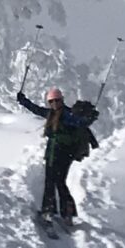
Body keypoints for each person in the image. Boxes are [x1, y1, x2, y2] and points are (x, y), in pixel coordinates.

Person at [16, 84, 98, 223]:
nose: (54, 103)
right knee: (60, 182)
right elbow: (35, 109)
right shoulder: (53, 113)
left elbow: (79, 122)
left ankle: (48, 212)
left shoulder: (66, 114)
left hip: (57, 154)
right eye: (51, 101)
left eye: (57, 100)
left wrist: (89, 119)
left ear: (62, 100)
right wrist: (23, 100)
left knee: (51, 181)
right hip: (63, 155)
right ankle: (67, 213)